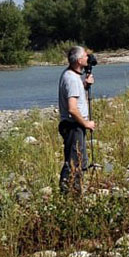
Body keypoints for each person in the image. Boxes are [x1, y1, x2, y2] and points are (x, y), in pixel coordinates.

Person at [58, 45, 95, 193]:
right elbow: (72, 108)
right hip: (73, 125)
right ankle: (70, 193)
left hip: (73, 125)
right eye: (86, 56)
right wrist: (86, 123)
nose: (88, 58)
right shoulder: (72, 79)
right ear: (79, 60)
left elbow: (75, 96)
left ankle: (72, 191)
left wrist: (85, 85)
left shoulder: (70, 75)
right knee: (76, 162)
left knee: (77, 159)